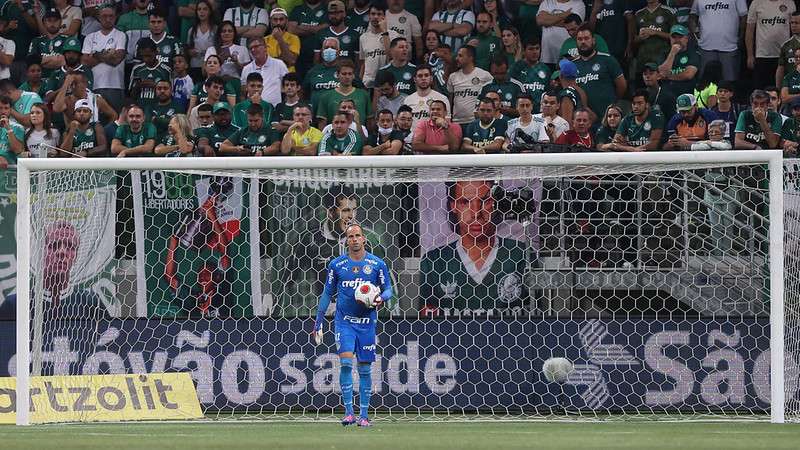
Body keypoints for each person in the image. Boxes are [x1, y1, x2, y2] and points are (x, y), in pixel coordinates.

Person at [311, 222, 392, 427]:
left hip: (367, 323)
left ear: (364, 238)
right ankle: (349, 413)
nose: (354, 239)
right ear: (346, 240)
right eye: (350, 236)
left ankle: (363, 416)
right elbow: (327, 293)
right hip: (344, 322)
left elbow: (389, 290)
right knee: (346, 363)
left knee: (364, 369)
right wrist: (318, 321)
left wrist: (381, 298)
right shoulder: (337, 265)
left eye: (357, 235)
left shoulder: (377, 264)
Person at [419, 179, 527, 313]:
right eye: (465, 202)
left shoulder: (522, 255)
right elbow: (424, 328)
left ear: (497, 204)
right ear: (453, 206)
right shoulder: (434, 262)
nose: (476, 212)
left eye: (485, 201)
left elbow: (537, 323)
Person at [0, 221, 109, 320]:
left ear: (75, 256)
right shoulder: (15, 304)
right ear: (40, 251)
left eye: (70, 246)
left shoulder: (91, 303)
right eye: (54, 245)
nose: (61, 252)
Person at [573, 26, 626, 122]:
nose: (583, 42)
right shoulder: (573, 65)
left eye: (586, 38)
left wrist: (612, 102)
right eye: (580, 39)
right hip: (584, 120)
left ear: (593, 40)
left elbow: (622, 85)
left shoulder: (607, 59)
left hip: (607, 118)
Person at [689, 0, 748, 83]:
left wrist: (741, 37)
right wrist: (695, 33)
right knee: (705, 83)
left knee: (729, 83)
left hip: (730, 46)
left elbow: (744, 16)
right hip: (705, 46)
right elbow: (693, 15)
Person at [81, 5, 126, 111]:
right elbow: (85, 61)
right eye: (104, 16)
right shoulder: (90, 37)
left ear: (115, 18)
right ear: (99, 18)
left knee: (115, 117)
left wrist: (95, 54)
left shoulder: (120, 35)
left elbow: (116, 60)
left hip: (116, 85)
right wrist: (107, 54)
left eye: (111, 16)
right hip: (94, 85)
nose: (108, 19)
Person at [747, 0, 796, 90]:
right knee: (761, 90)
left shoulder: (789, 2)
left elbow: (795, 29)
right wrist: (750, 55)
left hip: (784, 55)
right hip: (762, 55)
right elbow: (750, 31)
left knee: (784, 88)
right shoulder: (756, 3)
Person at [316, 60, 372, 129]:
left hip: (358, 137)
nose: (347, 77)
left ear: (354, 75)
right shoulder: (326, 96)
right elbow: (322, 123)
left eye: (350, 74)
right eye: (344, 74)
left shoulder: (363, 95)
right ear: (337, 75)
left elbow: (370, 121)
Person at [447, 45, 492, 126]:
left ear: (470, 57)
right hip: (456, 122)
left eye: (460, 56)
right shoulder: (453, 77)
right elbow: (450, 99)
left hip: (475, 121)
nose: (457, 58)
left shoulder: (484, 75)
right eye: (457, 55)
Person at [631, 0, 675, 81]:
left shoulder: (668, 12)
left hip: (662, 60)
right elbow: (633, 39)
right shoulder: (638, 14)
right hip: (642, 61)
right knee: (641, 89)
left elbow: (675, 37)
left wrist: (655, 32)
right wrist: (640, 38)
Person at [240, 37, 289, 107]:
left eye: (256, 46)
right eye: (251, 48)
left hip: (274, 110)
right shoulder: (246, 69)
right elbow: (243, 93)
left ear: (265, 48)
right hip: (253, 111)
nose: (253, 50)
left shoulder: (279, 64)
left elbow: (287, 87)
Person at [536, 0, 585, 65]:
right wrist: (564, 15)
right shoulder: (547, 2)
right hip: (547, 55)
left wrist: (548, 20)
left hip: (569, 55)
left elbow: (572, 23)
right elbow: (540, 20)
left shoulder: (579, 4)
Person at [288, 0, 329, 77]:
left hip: (320, 56)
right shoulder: (297, 9)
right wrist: (316, 29)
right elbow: (291, 30)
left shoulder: (326, 9)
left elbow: (326, 29)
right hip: (299, 57)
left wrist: (301, 27)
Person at [509, 38, 551, 113]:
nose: (535, 52)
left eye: (537, 48)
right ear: (524, 51)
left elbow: (547, 92)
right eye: (531, 49)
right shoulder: (516, 67)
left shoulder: (545, 69)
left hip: (539, 113)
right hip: (520, 112)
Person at [360, 5, 397, 89]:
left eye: (379, 14)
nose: (376, 17)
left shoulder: (393, 35)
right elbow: (363, 62)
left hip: (387, 83)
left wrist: (384, 32)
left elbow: (391, 57)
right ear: (369, 16)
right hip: (368, 83)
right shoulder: (363, 37)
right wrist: (361, 81)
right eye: (373, 14)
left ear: (384, 16)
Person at [314, 0, 360, 66]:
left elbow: (358, 62)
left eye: (336, 13)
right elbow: (316, 61)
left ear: (344, 13)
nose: (333, 16)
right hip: (326, 73)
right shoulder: (321, 34)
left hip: (346, 74)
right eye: (331, 13)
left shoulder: (354, 35)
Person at [657, 24, 699, 97]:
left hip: (686, 92)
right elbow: (662, 73)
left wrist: (668, 76)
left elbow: (688, 75)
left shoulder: (693, 54)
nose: (677, 40)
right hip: (667, 92)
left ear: (686, 39)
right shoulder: (664, 54)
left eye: (680, 37)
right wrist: (672, 53)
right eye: (674, 37)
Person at [129, 39, 172, 110]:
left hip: (158, 109)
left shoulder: (166, 70)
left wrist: (156, 86)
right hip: (140, 109)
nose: (146, 59)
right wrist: (138, 86)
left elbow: (170, 94)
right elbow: (131, 95)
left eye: (149, 56)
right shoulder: (137, 69)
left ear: (156, 52)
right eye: (143, 56)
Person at [404, 65, 450, 130]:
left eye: (426, 75)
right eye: (420, 76)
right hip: (413, 138)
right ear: (415, 79)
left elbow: (447, 122)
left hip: (434, 137)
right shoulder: (408, 100)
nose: (423, 78)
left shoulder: (442, 98)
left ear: (431, 78)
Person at [29, 8, 69, 80]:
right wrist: (55, 59)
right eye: (49, 20)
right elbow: (31, 61)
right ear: (44, 22)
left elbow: (65, 61)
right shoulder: (36, 41)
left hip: (61, 80)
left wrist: (40, 60)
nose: (52, 23)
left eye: (55, 20)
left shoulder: (67, 40)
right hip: (40, 81)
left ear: (61, 22)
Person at [186, 0, 217, 80]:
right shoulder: (192, 30)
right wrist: (190, 52)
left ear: (210, 11)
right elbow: (188, 49)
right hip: (195, 66)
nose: (202, 12)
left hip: (211, 66)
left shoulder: (215, 29)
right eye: (199, 9)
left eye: (205, 9)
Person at [265, 8, 300, 73]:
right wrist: (284, 60)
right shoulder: (264, 40)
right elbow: (263, 62)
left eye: (281, 19)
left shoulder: (294, 38)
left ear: (286, 21)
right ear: (270, 21)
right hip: (269, 74)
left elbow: (291, 60)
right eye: (275, 20)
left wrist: (279, 39)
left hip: (288, 76)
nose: (278, 23)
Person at [776, 12, 800, 89]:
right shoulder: (786, 46)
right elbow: (780, 69)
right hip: (791, 88)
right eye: (792, 23)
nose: (793, 26)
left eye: (796, 23)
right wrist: (778, 90)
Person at [0, 96, 25, 167]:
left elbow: (18, 150)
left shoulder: (18, 127)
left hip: (9, 174)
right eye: (0, 108)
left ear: (10, 110)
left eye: (6, 108)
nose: (3, 111)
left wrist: (9, 129)